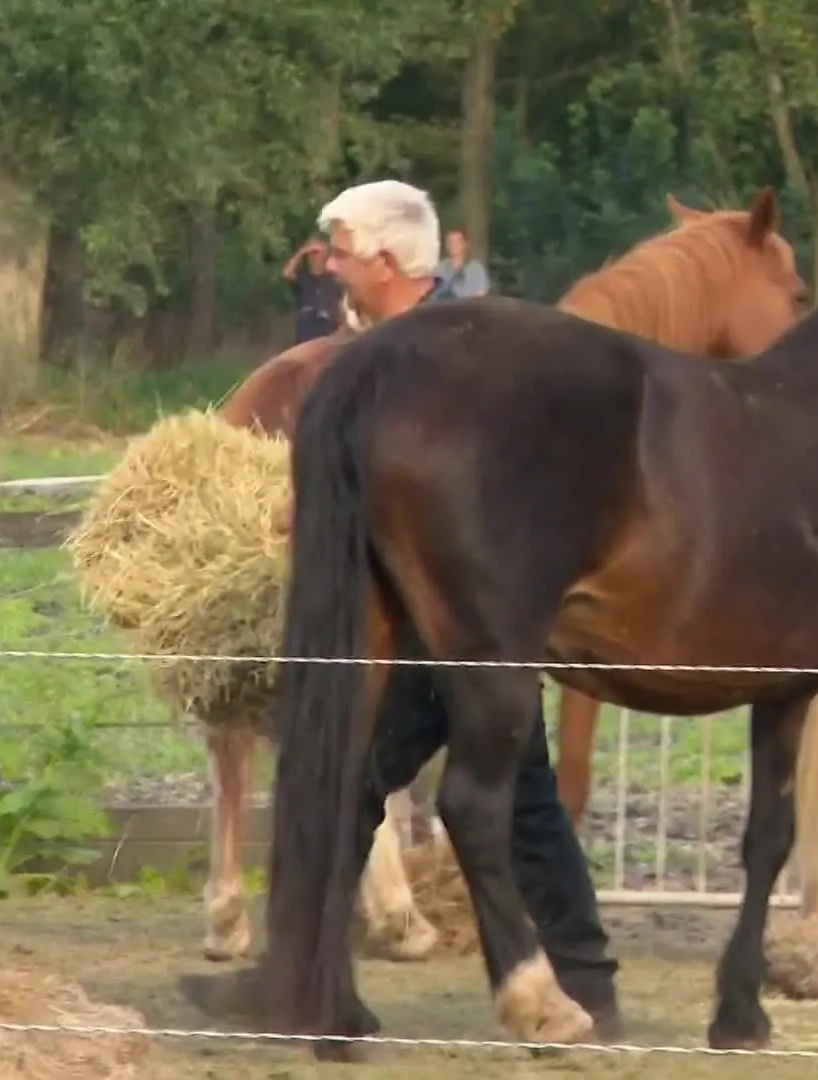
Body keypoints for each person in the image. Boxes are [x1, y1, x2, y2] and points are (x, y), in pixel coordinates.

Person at [310, 178, 624, 1038]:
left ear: (382, 259)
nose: (329, 265)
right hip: (428, 605)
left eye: (338, 249)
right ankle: (308, 969)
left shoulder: (466, 353)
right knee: (385, 770)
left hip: (480, 604)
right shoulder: (396, 347)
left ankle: (579, 979)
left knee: (505, 779)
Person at [281, 235, 343, 345]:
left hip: (328, 327)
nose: (314, 257)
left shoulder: (333, 278)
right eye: (311, 254)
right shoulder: (303, 277)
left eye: (317, 253)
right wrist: (302, 251)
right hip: (307, 328)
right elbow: (287, 273)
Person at [434, 228, 491, 298]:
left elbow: (480, 297)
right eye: (450, 242)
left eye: (457, 242)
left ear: (465, 244)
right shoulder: (440, 269)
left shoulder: (475, 270)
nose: (453, 245)